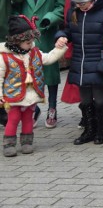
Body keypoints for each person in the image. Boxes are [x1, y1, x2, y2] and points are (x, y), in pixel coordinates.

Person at [56, 0, 103, 145]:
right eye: (77, 3)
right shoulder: (74, 13)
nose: (80, 6)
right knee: (85, 100)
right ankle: (89, 130)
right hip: (80, 63)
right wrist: (61, 37)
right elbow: (67, 31)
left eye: (83, 3)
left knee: (99, 98)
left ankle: (101, 130)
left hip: (98, 62)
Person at [16, 0, 67, 129]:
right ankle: (33, 107)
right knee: (27, 71)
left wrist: (49, 18)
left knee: (50, 72)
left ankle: (52, 107)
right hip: (24, 34)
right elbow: (15, 5)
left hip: (46, 32)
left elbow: (61, 7)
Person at [1, 15, 67, 157]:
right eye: (27, 42)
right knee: (13, 118)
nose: (30, 44)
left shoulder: (35, 52)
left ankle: (27, 142)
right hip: (13, 95)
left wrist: (59, 48)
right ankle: (9, 143)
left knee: (28, 118)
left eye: (31, 41)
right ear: (16, 41)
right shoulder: (4, 57)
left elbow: (49, 58)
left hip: (30, 95)